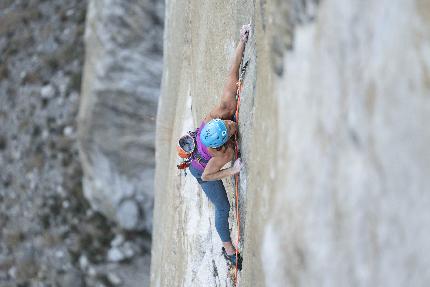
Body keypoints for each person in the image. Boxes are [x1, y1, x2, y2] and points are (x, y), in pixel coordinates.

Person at [176, 24, 251, 270]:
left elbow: (232, 74)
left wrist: (242, 40)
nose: (231, 124)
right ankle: (227, 248)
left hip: (202, 150)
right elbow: (209, 175)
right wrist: (232, 170)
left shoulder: (219, 113)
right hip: (201, 169)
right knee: (223, 206)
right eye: (229, 129)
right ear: (222, 144)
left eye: (227, 123)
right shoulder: (223, 154)